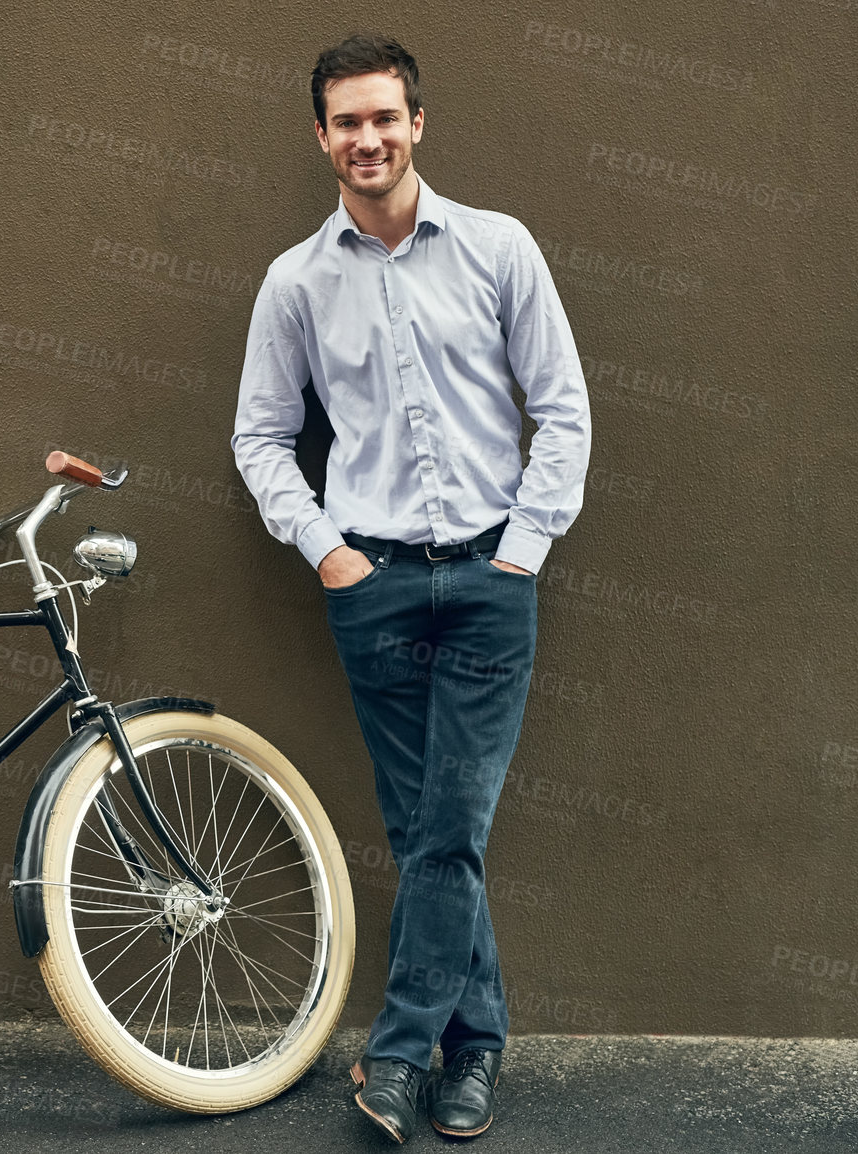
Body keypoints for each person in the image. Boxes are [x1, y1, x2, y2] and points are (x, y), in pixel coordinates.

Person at [231, 32, 592, 1144]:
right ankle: (475, 1047)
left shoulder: (498, 248)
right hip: (373, 585)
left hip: (490, 578)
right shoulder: (297, 280)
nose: (368, 137)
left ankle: (397, 1059)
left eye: (386, 116)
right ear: (322, 137)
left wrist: (522, 548)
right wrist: (329, 550)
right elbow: (260, 437)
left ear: (418, 122)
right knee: (426, 830)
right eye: (347, 121)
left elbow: (564, 410)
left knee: (449, 828)